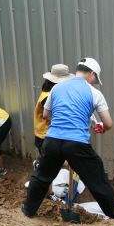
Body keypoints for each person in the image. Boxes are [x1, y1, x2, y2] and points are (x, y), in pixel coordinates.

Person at [22, 58, 114, 219]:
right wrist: (101, 128)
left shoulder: (57, 88)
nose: (95, 82)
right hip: (76, 142)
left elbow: (46, 115)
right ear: (92, 74)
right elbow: (108, 123)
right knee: (96, 177)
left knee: (42, 176)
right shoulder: (94, 93)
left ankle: (28, 209)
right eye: (96, 78)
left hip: (52, 140)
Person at [34, 64, 74, 200]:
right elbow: (48, 115)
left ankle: (41, 168)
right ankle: (49, 194)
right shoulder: (48, 96)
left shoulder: (51, 93)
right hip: (45, 135)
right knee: (56, 165)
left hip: (47, 135)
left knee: (52, 164)